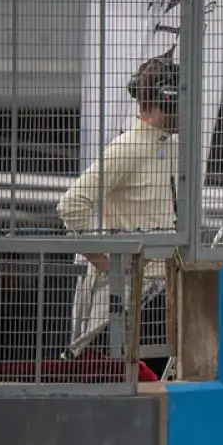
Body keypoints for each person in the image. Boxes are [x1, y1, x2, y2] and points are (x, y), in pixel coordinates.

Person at [56, 52, 181, 370]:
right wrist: (104, 261)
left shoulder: (168, 146)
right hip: (125, 302)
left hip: (160, 292)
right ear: (166, 98)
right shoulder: (128, 147)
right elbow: (71, 205)